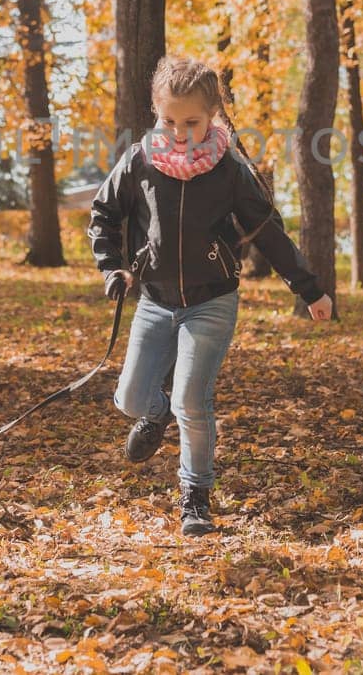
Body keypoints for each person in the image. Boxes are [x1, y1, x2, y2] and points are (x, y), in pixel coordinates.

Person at [88, 55, 334, 536]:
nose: (180, 132)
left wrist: (309, 289)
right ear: (156, 112)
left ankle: (194, 496)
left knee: (191, 401)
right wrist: (112, 267)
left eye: (192, 122)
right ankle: (153, 417)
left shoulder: (230, 169)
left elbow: (268, 231)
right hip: (155, 301)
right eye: (169, 120)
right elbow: (103, 213)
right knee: (131, 399)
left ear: (213, 116)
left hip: (211, 301)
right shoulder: (140, 160)